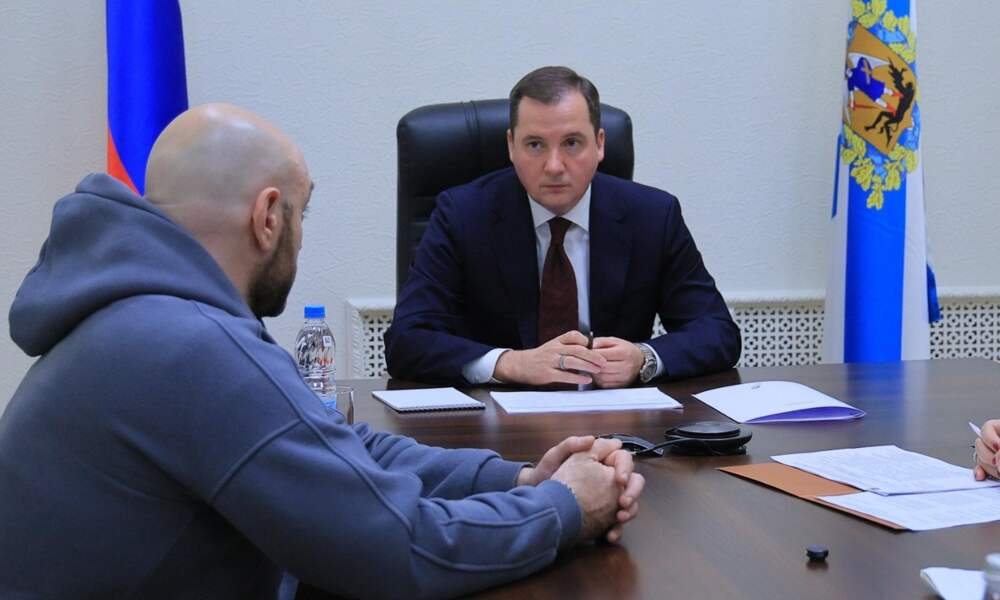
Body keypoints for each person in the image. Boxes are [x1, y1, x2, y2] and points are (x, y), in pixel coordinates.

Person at [0, 104, 644, 599]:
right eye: (302, 215)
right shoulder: (188, 345)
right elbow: (399, 550)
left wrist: (518, 478)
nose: (301, 238)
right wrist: (564, 506)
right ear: (268, 217)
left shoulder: (150, 316)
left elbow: (335, 445)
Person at [385, 66, 741, 388]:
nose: (554, 166)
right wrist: (512, 363)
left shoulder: (653, 216)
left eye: (571, 143)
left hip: (617, 421)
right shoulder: (462, 215)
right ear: (511, 146)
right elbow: (406, 340)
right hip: (495, 423)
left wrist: (643, 358)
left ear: (599, 144)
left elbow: (717, 332)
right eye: (535, 145)